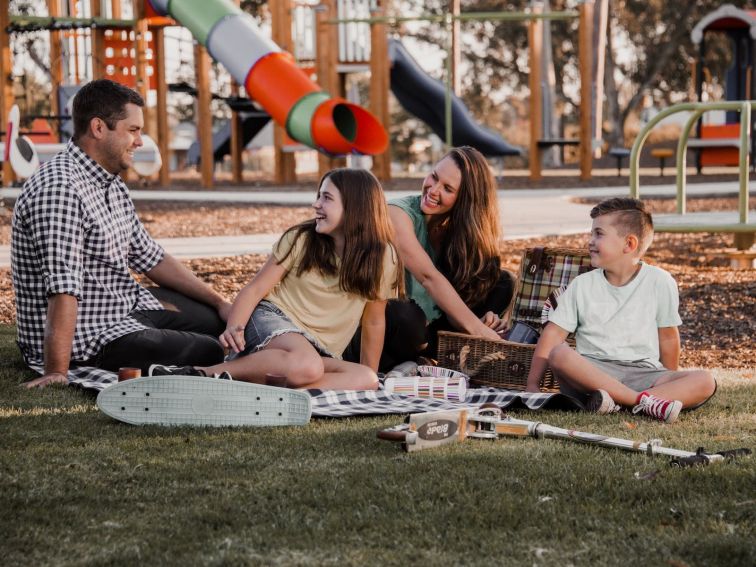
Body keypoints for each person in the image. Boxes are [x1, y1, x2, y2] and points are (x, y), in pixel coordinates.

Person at [11, 79, 231, 389]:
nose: (140, 141)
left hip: (122, 307)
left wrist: (221, 302)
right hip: (87, 338)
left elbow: (149, 256)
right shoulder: (60, 190)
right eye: (133, 130)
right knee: (210, 349)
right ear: (98, 128)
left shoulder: (109, 181)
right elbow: (63, 289)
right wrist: (57, 371)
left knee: (219, 321)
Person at [152, 168, 401, 390]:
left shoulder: (383, 258)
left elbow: (374, 322)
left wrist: (373, 378)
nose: (316, 205)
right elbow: (255, 288)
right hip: (274, 319)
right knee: (308, 366)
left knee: (365, 379)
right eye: (318, 196)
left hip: (316, 350)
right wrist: (234, 328)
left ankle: (271, 387)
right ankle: (201, 374)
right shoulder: (301, 239)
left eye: (326, 198)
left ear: (355, 208)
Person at [525, 197, 716, 423]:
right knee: (559, 353)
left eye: (599, 234)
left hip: (644, 373)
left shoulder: (660, 281)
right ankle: (644, 403)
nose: (590, 241)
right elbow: (553, 335)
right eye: (591, 233)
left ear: (629, 244)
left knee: (706, 380)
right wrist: (532, 385)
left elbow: (667, 338)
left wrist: (669, 377)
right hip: (592, 375)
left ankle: (617, 403)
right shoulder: (582, 285)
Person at [345, 146, 514, 371]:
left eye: (447, 188)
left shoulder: (459, 232)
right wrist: (479, 330)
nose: (433, 190)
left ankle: (441, 358)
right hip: (383, 328)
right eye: (434, 176)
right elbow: (428, 278)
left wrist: (490, 319)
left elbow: (462, 295)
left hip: (429, 332)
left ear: (465, 200)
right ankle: (415, 362)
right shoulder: (397, 214)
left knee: (501, 281)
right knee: (404, 314)